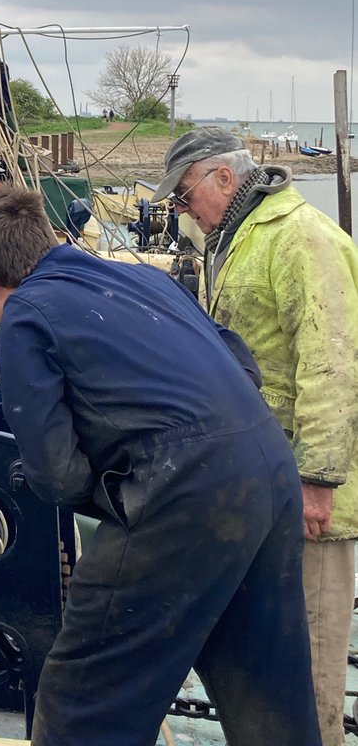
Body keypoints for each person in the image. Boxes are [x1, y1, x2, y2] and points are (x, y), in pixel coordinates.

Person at [0, 183, 321, 746]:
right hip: (270, 469)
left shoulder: (25, 315)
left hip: (186, 491)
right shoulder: (143, 278)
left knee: (86, 698)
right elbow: (242, 365)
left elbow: (55, 473)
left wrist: (120, 491)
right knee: (267, 686)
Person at [155, 126, 358, 746]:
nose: (183, 210)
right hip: (263, 490)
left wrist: (318, 483)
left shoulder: (301, 238)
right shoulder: (238, 238)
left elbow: (331, 363)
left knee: (311, 669)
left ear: (223, 177)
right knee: (272, 659)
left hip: (308, 504)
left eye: (186, 195)